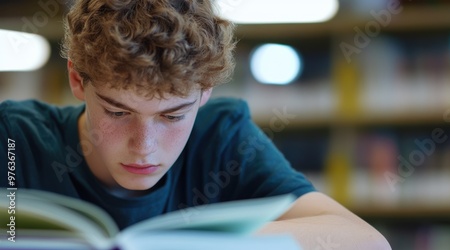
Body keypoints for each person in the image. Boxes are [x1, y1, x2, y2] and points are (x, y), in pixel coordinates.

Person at [0, 0, 390, 248]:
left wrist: (193, 245)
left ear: (204, 92)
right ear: (76, 80)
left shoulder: (222, 137)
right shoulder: (14, 138)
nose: (144, 146)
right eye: (118, 112)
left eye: (173, 116)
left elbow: (366, 241)